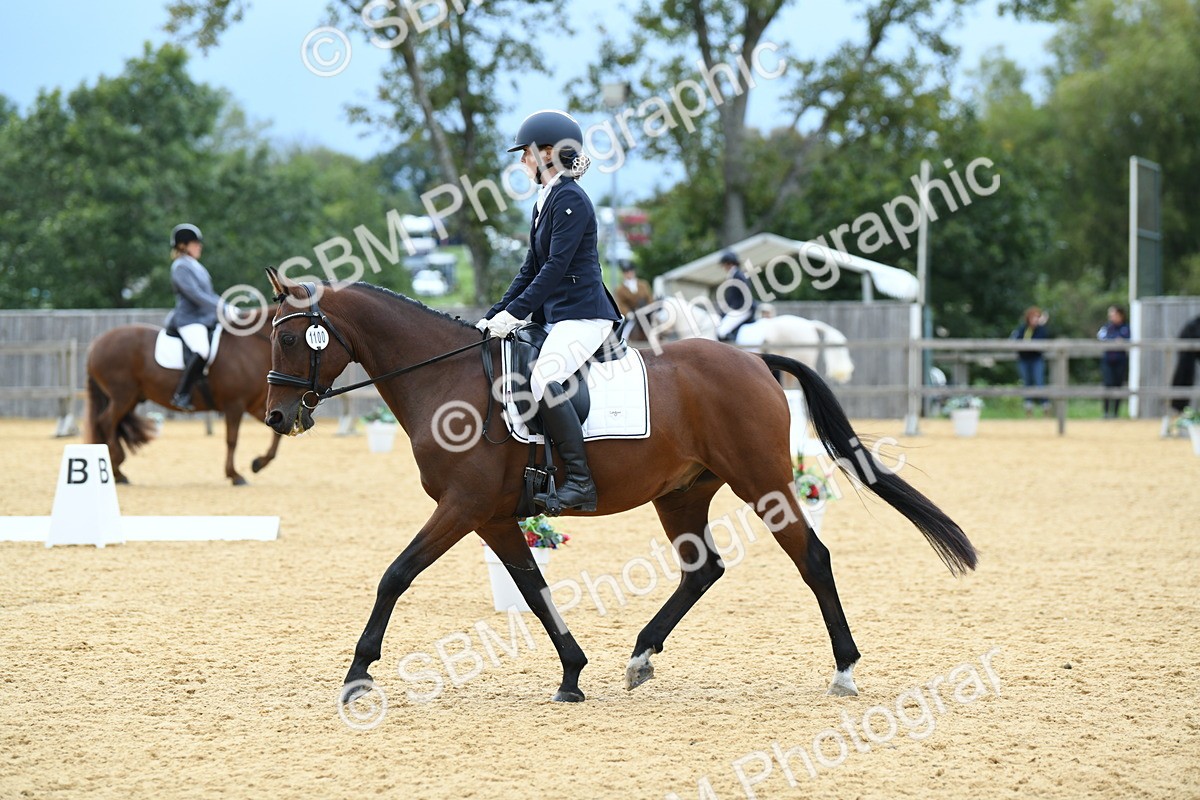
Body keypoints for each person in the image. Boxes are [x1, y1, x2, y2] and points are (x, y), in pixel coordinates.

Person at [476, 109, 621, 513]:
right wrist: (495, 315)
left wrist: (517, 314)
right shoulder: (548, 199)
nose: (522, 161)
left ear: (548, 154)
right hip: (559, 315)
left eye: (526, 154)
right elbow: (530, 269)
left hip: (585, 314)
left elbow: (556, 268)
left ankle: (579, 481)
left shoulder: (571, 199)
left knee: (542, 378)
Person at [164, 223, 229, 411]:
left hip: (205, 318)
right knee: (202, 350)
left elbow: (209, 294)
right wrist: (221, 308)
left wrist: (227, 307)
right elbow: (195, 295)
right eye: (195, 243)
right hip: (189, 320)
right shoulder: (180, 267)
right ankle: (181, 394)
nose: (199, 246)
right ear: (183, 245)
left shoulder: (196, 266)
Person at [1011, 306, 1051, 417]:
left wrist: (1041, 325)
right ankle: (1028, 407)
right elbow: (1017, 340)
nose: (1035, 320)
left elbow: (1040, 342)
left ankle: (1045, 406)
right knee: (1027, 383)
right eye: (1033, 317)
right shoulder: (1023, 328)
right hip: (1024, 359)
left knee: (1039, 382)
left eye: (1037, 318)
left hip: (1036, 359)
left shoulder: (1041, 329)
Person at [715, 250, 757, 341]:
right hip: (739, 308)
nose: (723, 267)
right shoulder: (733, 275)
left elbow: (744, 295)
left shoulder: (738, 275)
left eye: (724, 265)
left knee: (722, 331)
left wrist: (730, 309)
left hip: (743, 309)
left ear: (728, 263)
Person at [1097, 304, 1131, 418]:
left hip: (1120, 361)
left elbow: (1126, 339)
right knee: (1108, 385)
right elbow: (1101, 337)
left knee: (1118, 386)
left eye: (1113, 314)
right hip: (1108, 360)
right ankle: (1106, 413)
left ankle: (1115, 413)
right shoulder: (1107, 327)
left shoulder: (1126, 328)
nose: (1111, 316)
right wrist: (1115, 340)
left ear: (1120, 315)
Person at [613, 260, 652, 340]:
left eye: (631, 271)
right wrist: (628, 313)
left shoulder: (643, 284)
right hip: (632, 314)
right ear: (623, 273)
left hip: (645, 311)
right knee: (627, 329)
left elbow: (649, 298)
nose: (629, 273)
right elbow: (621, 303)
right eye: (626, 272)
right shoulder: (619, 289)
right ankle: (624, 339)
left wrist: (649, 308)